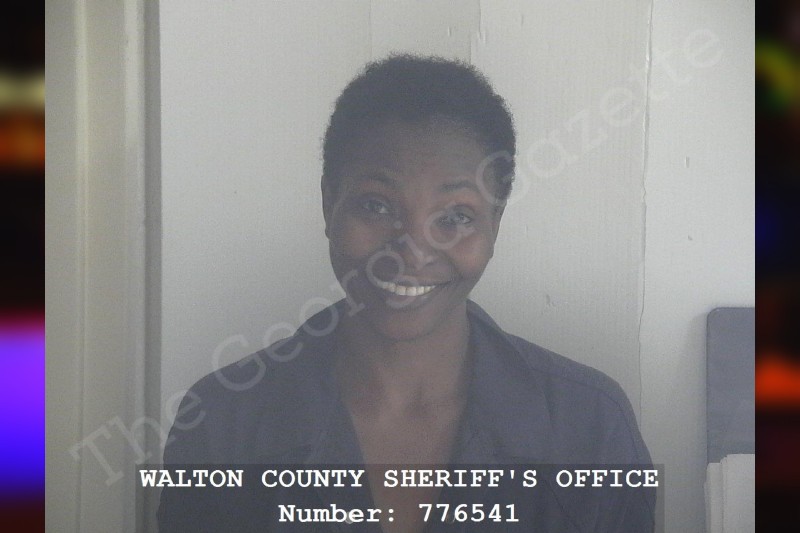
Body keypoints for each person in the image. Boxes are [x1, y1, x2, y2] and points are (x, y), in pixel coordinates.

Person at [157, 54, 655, 532]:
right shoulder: (220, 425)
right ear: (329, 203)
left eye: (456, 216)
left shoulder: (589, 427)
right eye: (376, 206)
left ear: (495, 223)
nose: (412, 252)